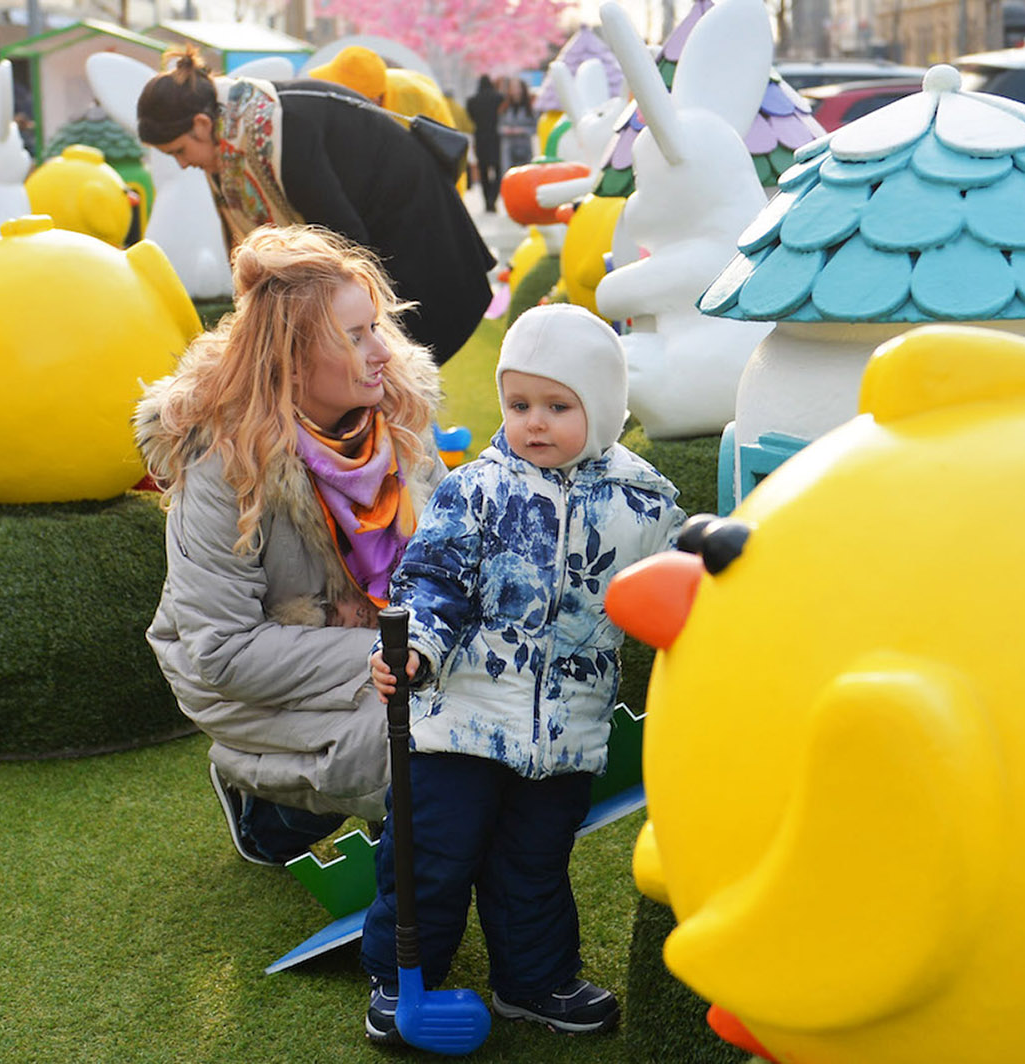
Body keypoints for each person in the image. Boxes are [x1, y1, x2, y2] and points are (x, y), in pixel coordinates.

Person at [359, 304, 686, 1044]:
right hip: (460, 721)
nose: (533, 423)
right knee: (431, 855)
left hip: (564, 732)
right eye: (518, 405)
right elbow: (432, 578)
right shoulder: (477, 489)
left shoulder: (645, 502)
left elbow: (674, 577)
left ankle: (533, 982)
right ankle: (398, 978)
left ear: (601, 409)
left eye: (558, 406)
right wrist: (414, 650)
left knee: (531, 865)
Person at [134, 224, 446, 865]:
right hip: (243, 679)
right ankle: (271, 810)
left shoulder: (399, 413)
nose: (381, 352)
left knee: (474, 700)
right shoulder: (224, 457)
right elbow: (221, 651)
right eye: (354, 337)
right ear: (293, 361)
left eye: (376, 328)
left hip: (383, 641)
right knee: (414, 737)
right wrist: (389, 653)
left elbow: (443, 553)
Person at [135, 47, 493, 366]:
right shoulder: (237, 131)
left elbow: (344, 249)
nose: (183, 164)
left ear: (201, 124)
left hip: (415, 237)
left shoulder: (279, 133)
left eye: (179, 151)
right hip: (379, 235)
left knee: (392, 375)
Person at [466, 75, 504, 214]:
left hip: (480, 137)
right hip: (495, 137)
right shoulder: (498, 98)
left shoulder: (472, 101)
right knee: (498, 169)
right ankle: (493, 199)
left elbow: (470, 117)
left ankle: (486, 200)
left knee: (483, 170)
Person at [499, 77, 537, 175]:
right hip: (509, 147)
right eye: (513, 88)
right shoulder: (505, 107)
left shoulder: (530, 108)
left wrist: (521, 130)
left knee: (525, 174)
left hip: (524, 147)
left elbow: (535, 127)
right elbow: (499, 127)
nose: (515, 91)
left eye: (517, 88)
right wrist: (506, 130)